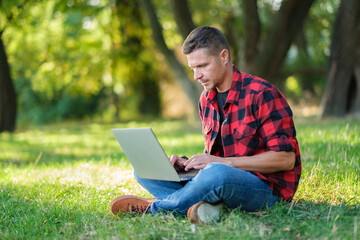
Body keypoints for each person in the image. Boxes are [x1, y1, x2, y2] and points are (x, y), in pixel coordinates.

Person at [110, 26, 301, 224]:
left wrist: (223, 163)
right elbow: (214, 157)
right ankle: (198, 204)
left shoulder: (262, 94)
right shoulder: (206, 99)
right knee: (145, 170)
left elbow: (285, 160)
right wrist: (186, 165)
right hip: (220, 178)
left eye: (202, 66)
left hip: (265, 190)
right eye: (193, 69)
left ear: (224, 56)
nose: (196, 75)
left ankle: (157, 207)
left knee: (217, 174)